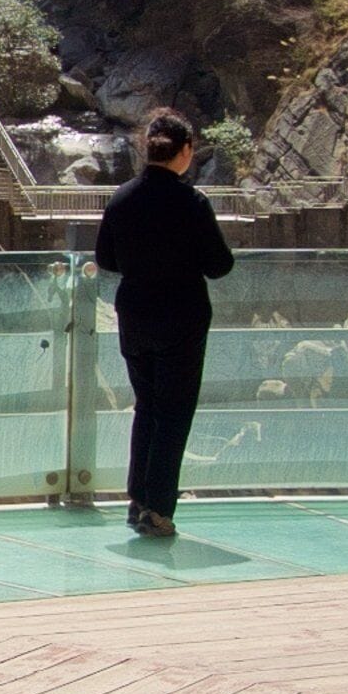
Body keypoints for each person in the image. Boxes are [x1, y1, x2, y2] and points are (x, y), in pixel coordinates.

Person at [95, 109, 234, 538]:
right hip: (181, 317)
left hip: (135, 315)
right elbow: (219, 265)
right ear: (185, 151)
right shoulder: (191, 202)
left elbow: (105, 259)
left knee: (147, 408)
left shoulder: (122, 197)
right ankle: (159, 508)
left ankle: (137, 500)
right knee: (174, 413)